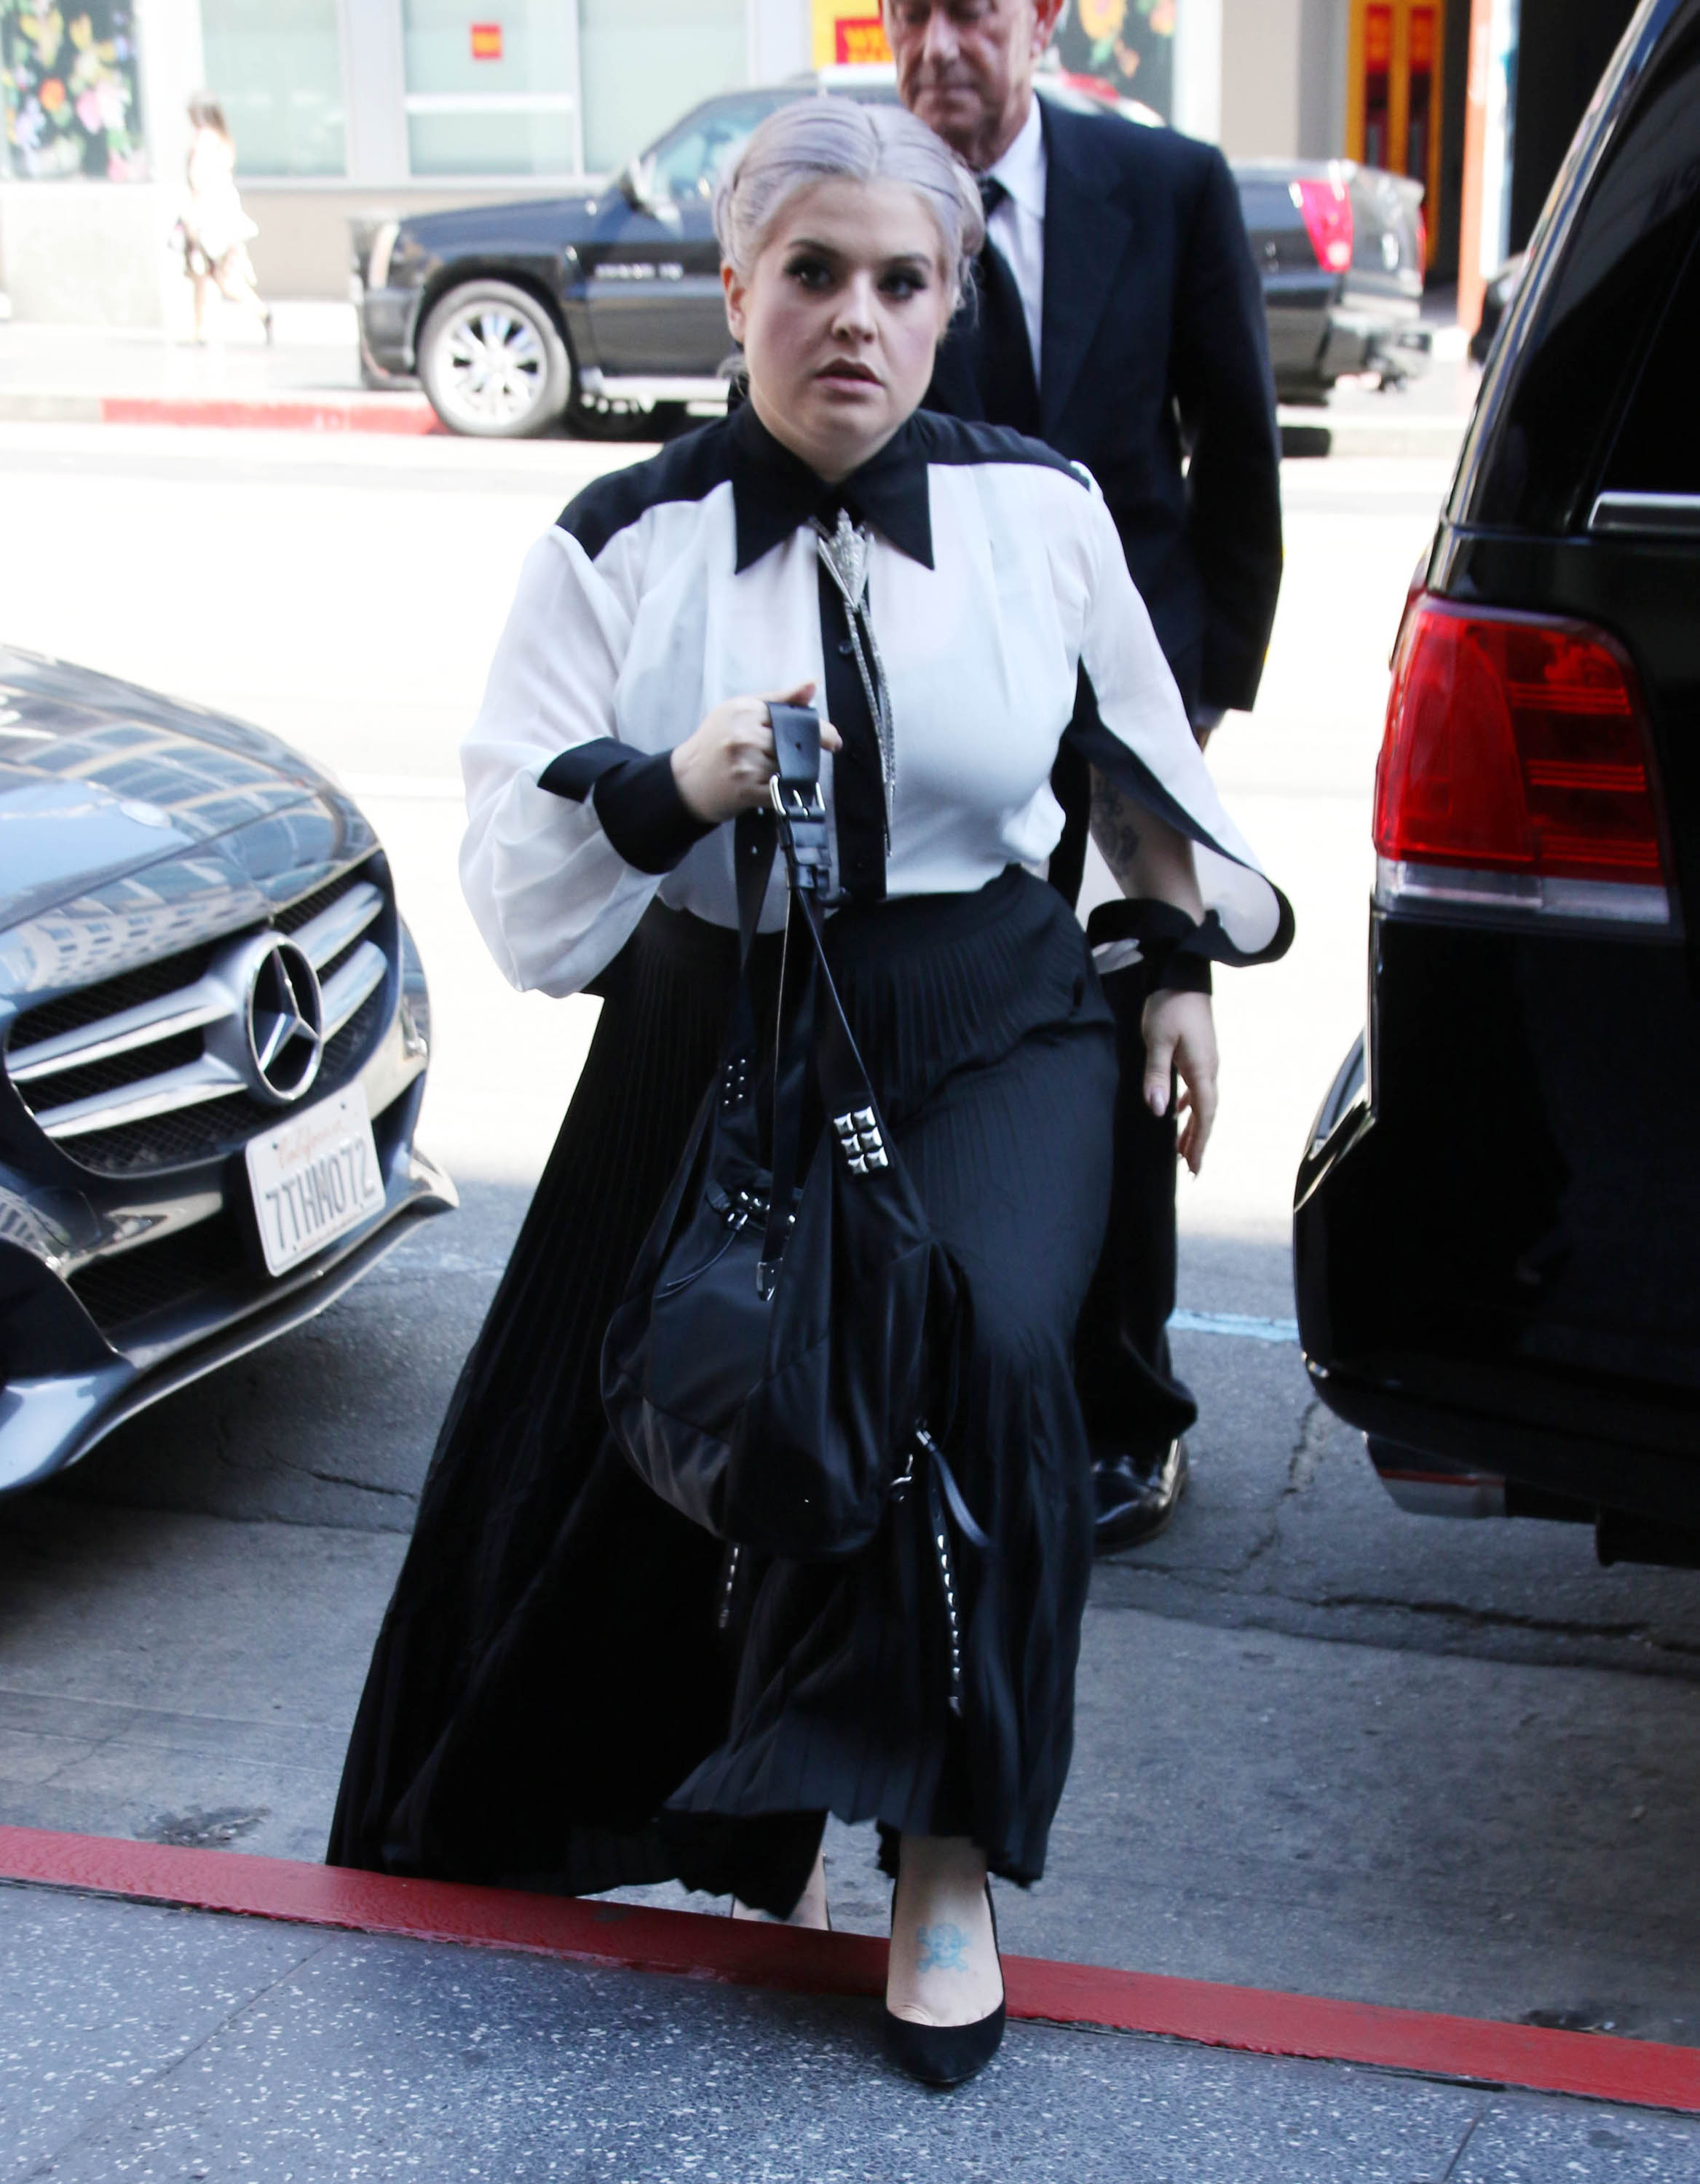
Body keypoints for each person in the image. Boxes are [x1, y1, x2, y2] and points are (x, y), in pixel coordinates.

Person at [328, 97, 1289, 2087]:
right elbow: (520, 871)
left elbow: (1130, 760)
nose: (853, 316)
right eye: (810, 274)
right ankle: (756, 1814)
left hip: (990, 1008)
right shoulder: (622, 538)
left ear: (948, 303)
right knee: (725, 1411)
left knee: (991, 1349)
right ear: (732, 286)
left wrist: (1173, 968)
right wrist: (675, 784)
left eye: (899, 280)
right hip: (723, 1026)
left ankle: (941, 1857)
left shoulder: (1033, 508)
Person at [886, 0, 1284, 1550]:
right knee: (969, 1056)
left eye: (972, 10)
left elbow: (1233, 455)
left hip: (1129, 711)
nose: (939, 46)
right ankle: (946, 1386)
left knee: (1136, 1046)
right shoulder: (872, 210)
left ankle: (1129, 1414)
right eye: (909, 12)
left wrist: (1199, 707)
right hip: (952, 720)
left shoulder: (1166, 185)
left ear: (1039, 20)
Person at [178, 94, 272, 346]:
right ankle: (258, 312)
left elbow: (198, 179)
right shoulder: (224, 140)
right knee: (221, 273)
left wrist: (190, 217)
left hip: (207, 213)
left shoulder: (204, 140)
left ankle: (201, 329)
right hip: (226, 209)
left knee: (206, 272)